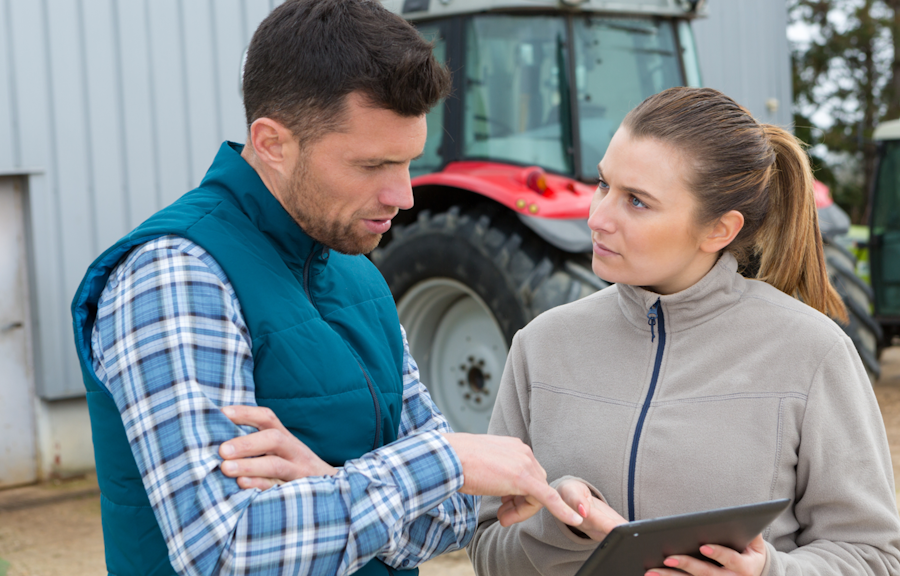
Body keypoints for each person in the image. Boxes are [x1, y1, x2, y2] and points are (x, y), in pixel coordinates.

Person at [70, 1, 581, 575]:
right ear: (272, 143)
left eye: (410, 162)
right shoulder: (177, 277)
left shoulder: (355, 271)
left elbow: (448, 520)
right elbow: (227, 552)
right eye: (372, 166)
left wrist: (328, 481)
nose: (404, 196)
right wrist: (443, 460)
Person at [466, 87, 900, 576]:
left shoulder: (813, 353)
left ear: (719, 230)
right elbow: (487, 549)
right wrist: (562, 526)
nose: (597, 217)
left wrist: (768, 573)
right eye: (603, 184)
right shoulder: (541, 345)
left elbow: (872, 558)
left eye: (637, 201)